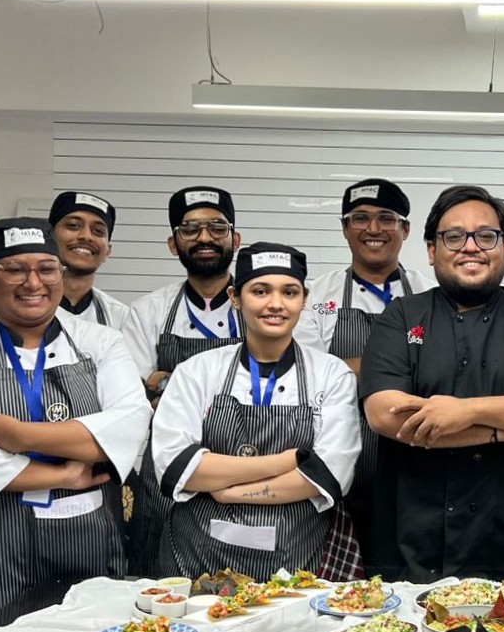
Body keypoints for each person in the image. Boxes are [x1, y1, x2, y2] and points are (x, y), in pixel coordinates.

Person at [361, 183, 504, 583]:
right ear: (431, 250)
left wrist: (465, 411)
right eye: (454, 237)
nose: (471, 247)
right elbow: (387, 414)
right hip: (417, 539)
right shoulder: (400, 317)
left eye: (486, 236)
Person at [0, 218, 149, 632]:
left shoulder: (101, 342)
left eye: (47, 268)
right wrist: (63, 473)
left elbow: (130, 422)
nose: (33, 282)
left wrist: (19, 436)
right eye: (15, 269)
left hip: (90, 535)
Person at [153, 243, 359, 580]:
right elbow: (177, 468)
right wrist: (287, 461)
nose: (275, 304)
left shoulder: (331, 374)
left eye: (289, 292)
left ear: (304, 299)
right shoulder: (197, 371)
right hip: (197, 561)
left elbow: (329, 475)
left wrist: (229, 491)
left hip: (296, 565)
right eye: (260, 291)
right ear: (235, 296)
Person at [295, 178, 430, 579]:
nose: (374, 229)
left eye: (386, 218)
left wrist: (348, 365)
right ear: (344, 227)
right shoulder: (315, 297)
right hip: (337, 455)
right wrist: (407, 368)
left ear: (405, 229)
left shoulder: (431, 293)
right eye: (360, 218)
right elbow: (310, 375)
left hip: (417, 457)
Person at [123, 187, 243, 574]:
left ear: (235, 239)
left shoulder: (258, 306)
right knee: (160, 584)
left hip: (242, 465)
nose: (205, 237)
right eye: (190, 229)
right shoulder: (148, 311)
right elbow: (136, 396)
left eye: (217, 227)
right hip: (166, 472)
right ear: (173, 244)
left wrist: (166, 383)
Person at [0, 192, 129, 331]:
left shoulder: (120, 316)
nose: (86, 236)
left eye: (98, 231)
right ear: (50, 239)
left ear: (108, 251)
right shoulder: (4, 299)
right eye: (73, 226)